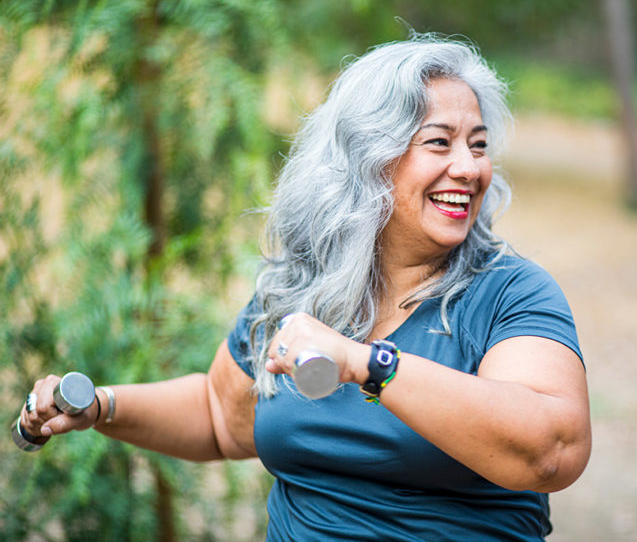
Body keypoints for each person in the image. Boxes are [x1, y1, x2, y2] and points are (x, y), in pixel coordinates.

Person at [19, 33, 591, 541]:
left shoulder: (511, 294)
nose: (470, 168)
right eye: (439, 143)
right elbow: (221, 415)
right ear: (369, 158)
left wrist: (369, 364)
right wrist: (101, 407)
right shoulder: (301, 287)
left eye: (479, 144)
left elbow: (552, 450)